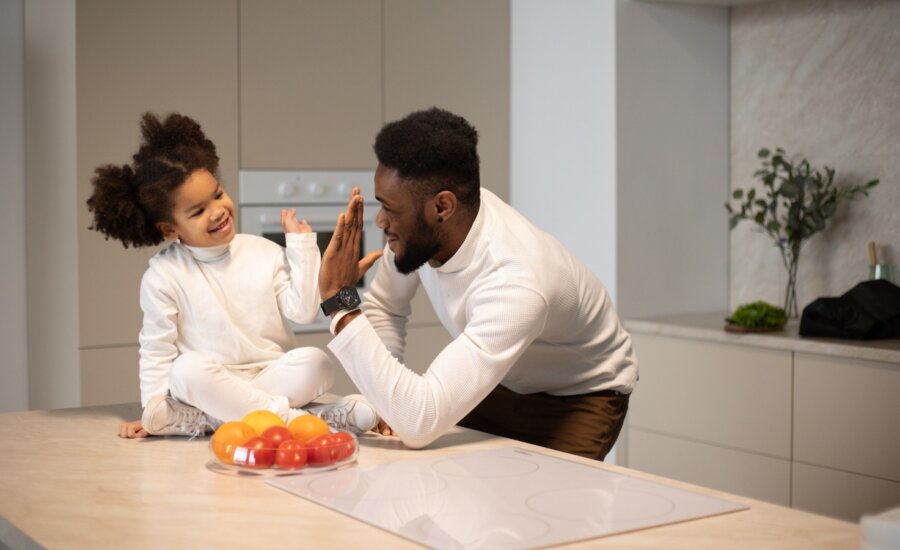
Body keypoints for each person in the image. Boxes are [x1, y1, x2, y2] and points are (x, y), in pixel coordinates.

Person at [317, 107, 638, 461]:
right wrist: (385, 401)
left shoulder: (516, 280)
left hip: (580, 395)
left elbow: (419, 424)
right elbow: (385, 306)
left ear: (442, 206)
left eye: (390, 209)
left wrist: (339, 304)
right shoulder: (422, 230)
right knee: (461, 495)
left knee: (550, 509)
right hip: (506, 380)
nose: (380, 221)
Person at [86, 112, 377, 439]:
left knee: (316, 363)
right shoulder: (163, 276)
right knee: (186, 370)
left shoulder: (264, 251)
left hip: (266, 376)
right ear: (169, 229)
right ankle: (305, 421)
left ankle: (219, 419)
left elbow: (304, 311)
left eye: (218, 194)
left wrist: (302, 246)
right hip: (210, 383)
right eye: (197, 211)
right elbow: (156, 348)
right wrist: (152, 408)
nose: (218, 210)